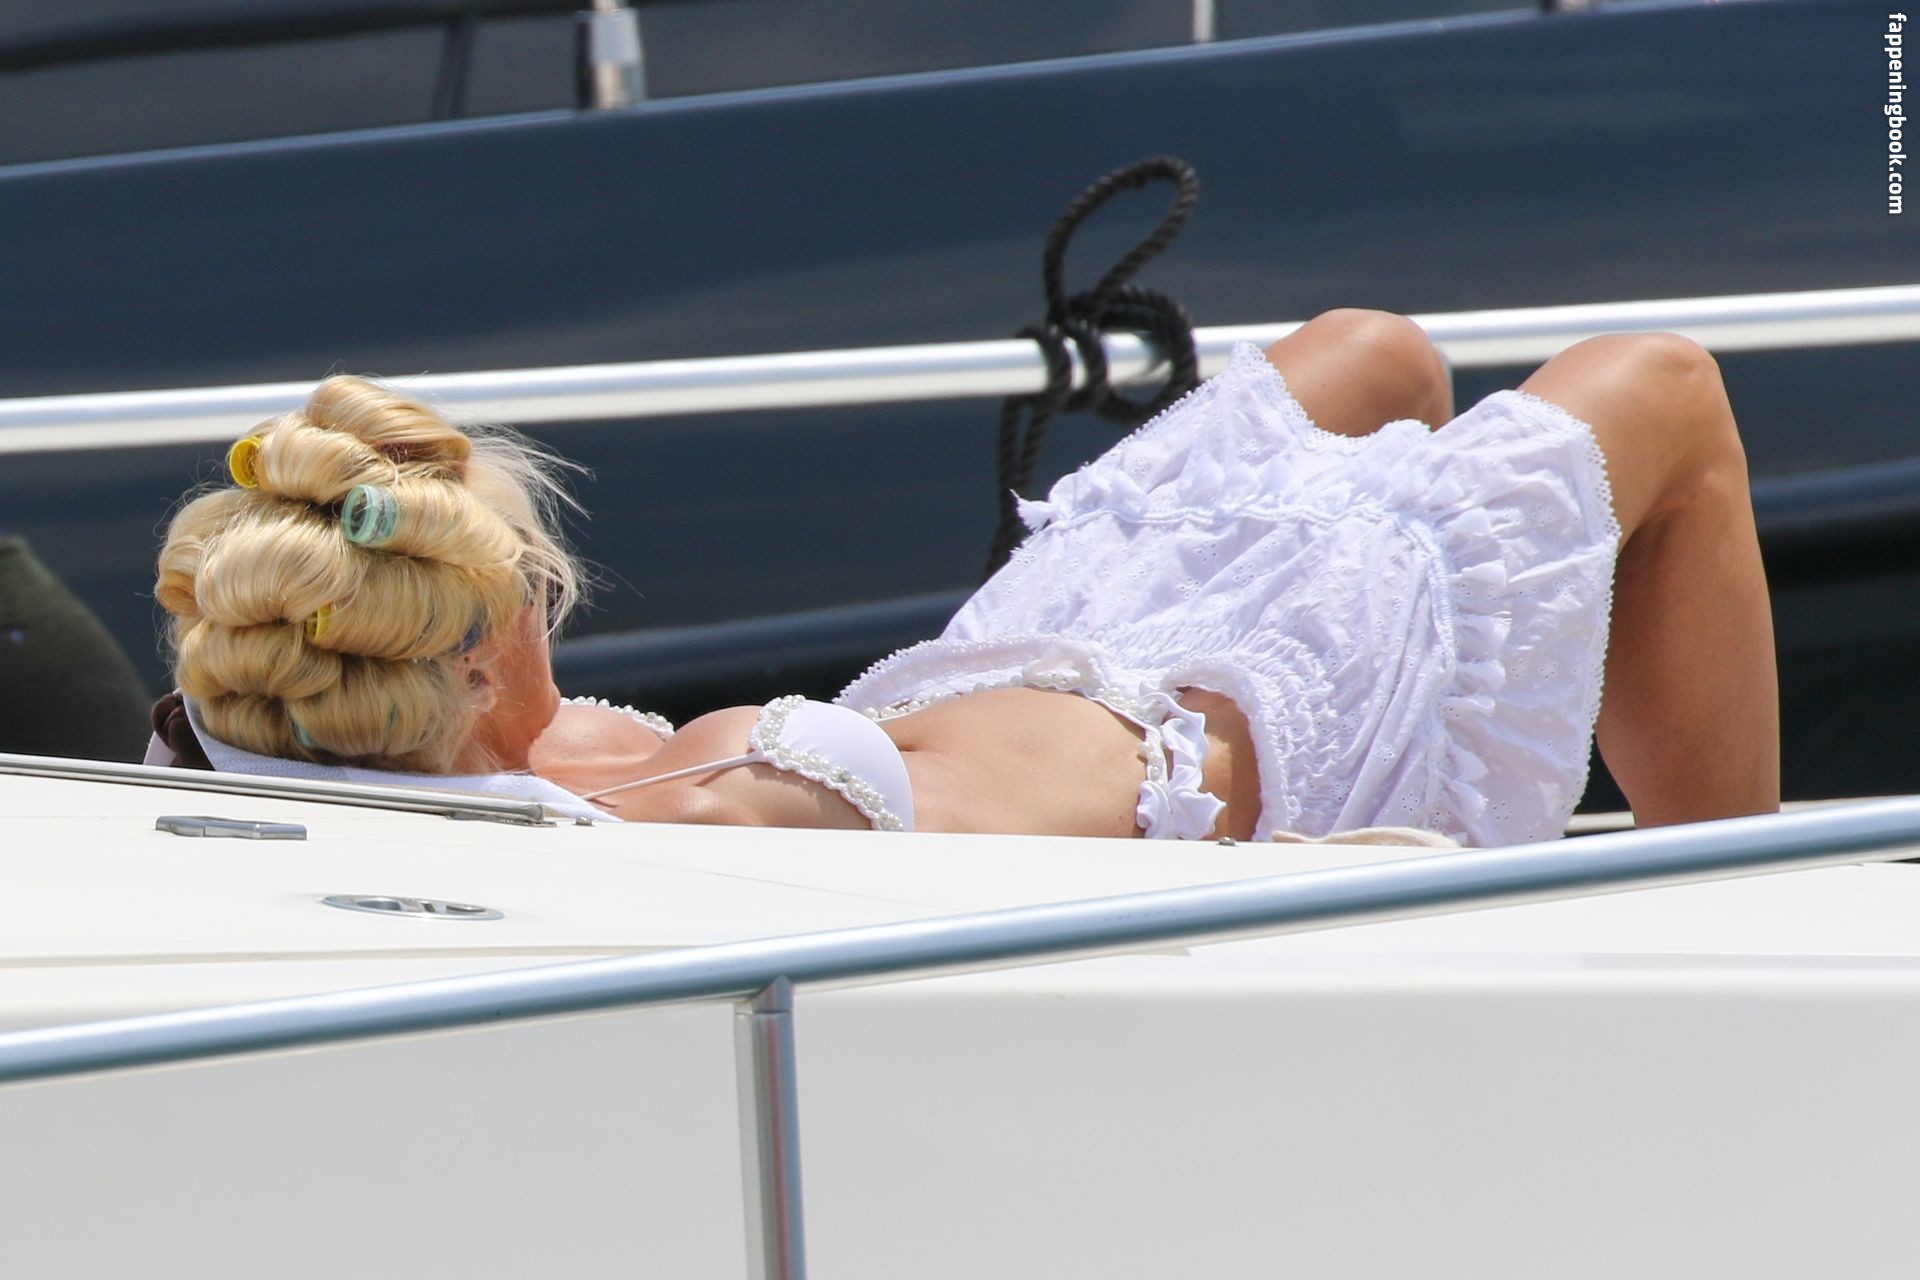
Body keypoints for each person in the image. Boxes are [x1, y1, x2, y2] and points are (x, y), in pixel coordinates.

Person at [148, 309, 1779, 846]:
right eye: (536, 602)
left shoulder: (353, 752)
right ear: (475, 662)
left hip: (1059, 644)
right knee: (1664, 387)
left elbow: (207, 734)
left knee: (1371, 355)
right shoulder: (685, 822)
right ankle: (1738, 899)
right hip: (1263, 735)